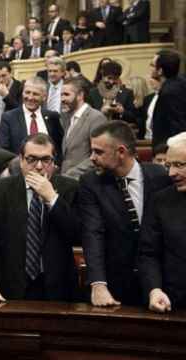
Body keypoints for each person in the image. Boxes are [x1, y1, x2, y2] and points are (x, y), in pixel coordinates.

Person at [0, 133, 79, 304]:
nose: (39, 166)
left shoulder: (70, 188)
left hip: (59, 288)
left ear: (54, 163)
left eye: (46, 160)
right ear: (21, 160)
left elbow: (78, 235)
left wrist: (52, 198)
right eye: (31, 159)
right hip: (11, 286)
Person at [78, 121, 172, 307]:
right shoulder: (91, 182)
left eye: (98, 152)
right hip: (116, 284)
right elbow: (93, 232)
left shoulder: (161, 177)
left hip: (162, 283)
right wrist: (98, 284)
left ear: (121, 152)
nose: (91, 158)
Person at [138, 132, 186, 312]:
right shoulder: (160, 201)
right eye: (169, 165)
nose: (172, 173)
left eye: (179, 165)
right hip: (173, 305)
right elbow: (148, 253)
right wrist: (154, 289)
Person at [0, 77, 64, 156]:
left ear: (44, 97)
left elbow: (59, 147)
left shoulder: (53, 117)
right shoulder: (9, 117)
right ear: (22, 93)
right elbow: (4, 150)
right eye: (27, 92)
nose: (30, 97)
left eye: (35, 94)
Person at [60, 79, 108, 179]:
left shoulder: (96, 118)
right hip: (68, 181)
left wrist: (70, 175)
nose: (62, 99)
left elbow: (99, 155)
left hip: (85, 181)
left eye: (66, 94)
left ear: (80, 96)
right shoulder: (67, 118)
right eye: (61, 95)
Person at [150, 50, 186, 147]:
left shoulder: (170, 92)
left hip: (170, 149)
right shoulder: (179, 83)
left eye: (152, 65)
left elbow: (178, 127)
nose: (150, 68)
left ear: (160, 71)